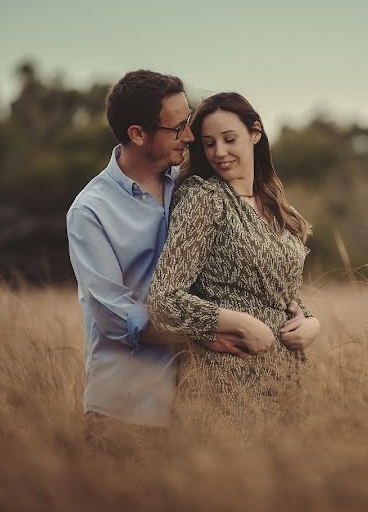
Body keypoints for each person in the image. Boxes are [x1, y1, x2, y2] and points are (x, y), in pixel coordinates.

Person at [66, 71, 298, 450]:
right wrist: (211, 328)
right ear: (138, 134)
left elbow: (244, 271)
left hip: (200, 401)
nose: (189, 136)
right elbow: (116, 317)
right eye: (178, 128)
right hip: (128, 406)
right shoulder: (90, 212)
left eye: (188, 122)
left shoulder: (193, 186)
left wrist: (298, 316)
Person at [147, 92, 321, 411]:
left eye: (229, 139)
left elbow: (276, 293)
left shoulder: (279, 209)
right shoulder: (205, 200)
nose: (219, 152)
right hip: (227, 380)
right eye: (209, 143)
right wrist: (241, 323)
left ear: (255, 133)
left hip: (287, 377)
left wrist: (310, 323)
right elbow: (163, 300)